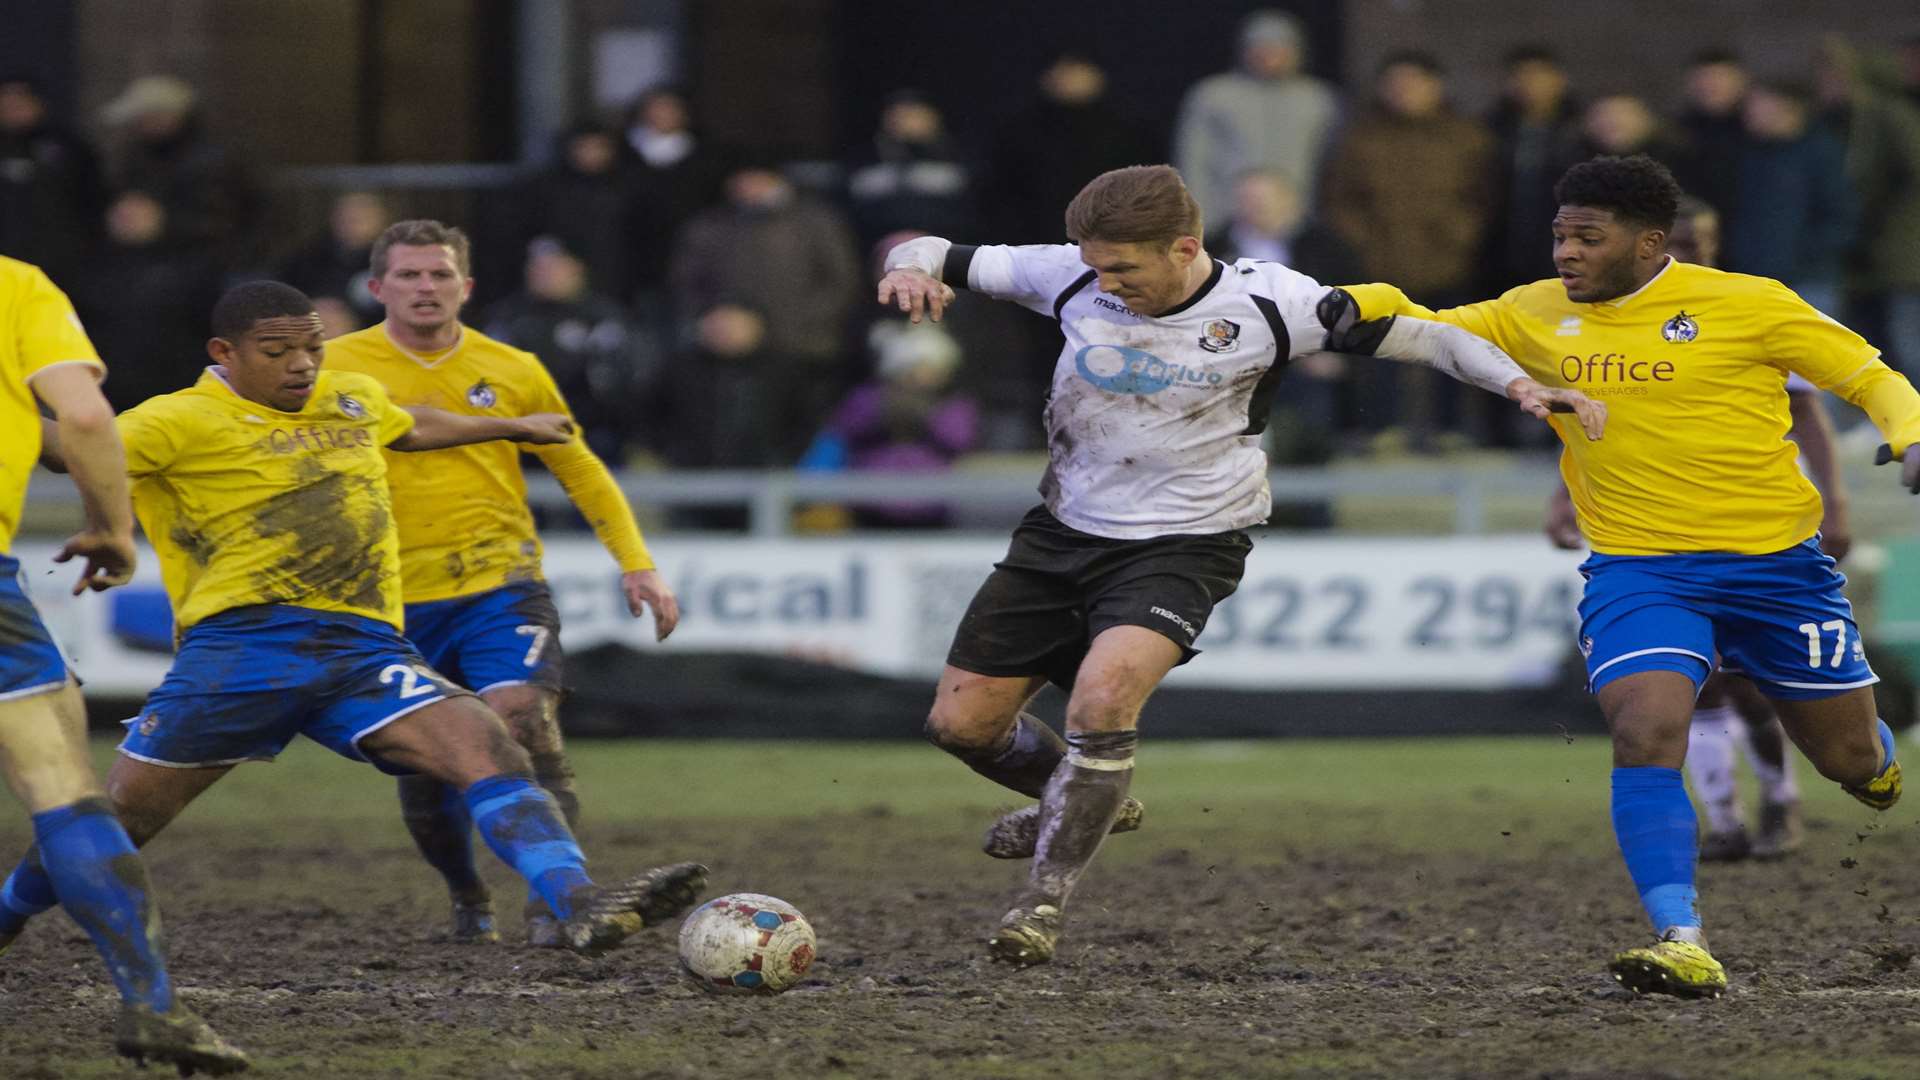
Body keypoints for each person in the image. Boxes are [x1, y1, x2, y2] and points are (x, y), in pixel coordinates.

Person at [877, 164, 1605, 966]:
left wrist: (1519, 385)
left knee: (1103, 697)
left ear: (1185, 246)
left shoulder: (1275, 302)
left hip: (1186, 543)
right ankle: (1084, 799)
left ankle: (1040, 906)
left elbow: (1425, 333)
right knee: (961, 725)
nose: (1106, 285)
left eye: (1124, 269)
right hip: (1061, 533)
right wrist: (911, 269)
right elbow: (931, 246)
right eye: (1095, 267)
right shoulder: (1071, 273)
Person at [1342, 155, 1920, 998]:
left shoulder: (1750, 305)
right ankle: (1681, 936)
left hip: (1779, 572)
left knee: (1848, 761)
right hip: (1642, 570)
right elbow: (1425, 325)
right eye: (1558, 234)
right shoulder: (1531, 312)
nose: (1565, 253)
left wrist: (1909, 436)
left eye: (1587, 237)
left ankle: (1870, 756)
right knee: (1645, 730)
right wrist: (1345, 303)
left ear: (1651, 243)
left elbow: (1868, 375)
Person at [0, 281, 706, 961]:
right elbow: (72, 448)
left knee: (489, 745)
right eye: (278, 352)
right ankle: (7, 914)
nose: (303, 363)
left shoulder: (349, 394)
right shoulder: (175, 420)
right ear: (225, 352)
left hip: (362, 647)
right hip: (244, 648)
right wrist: (15, 403)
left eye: (312, 346)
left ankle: (575, 902)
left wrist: (510, 425)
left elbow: (407, 424)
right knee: (118, 821)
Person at [324, 222, 680, 946]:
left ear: (467, 287)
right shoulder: (334, 369)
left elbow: (577, 465)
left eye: (440, 275)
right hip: (385, 601)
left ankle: (558, 903)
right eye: (410, 275)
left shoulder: (512, 368)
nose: (426, 288)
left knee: (520, 715)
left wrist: (636, 561)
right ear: (377, 287)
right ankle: (465, 889)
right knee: (430, 771)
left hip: (497, 582)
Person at [0, 257, 248, 1072]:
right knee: (62, 790)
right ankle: (152, 1006)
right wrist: (113, 528)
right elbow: (85, 416)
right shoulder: (15, 286)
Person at [1542, 196, 1840, 861]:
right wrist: (1564, 495)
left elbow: (1809, 419)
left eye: (1702, 242)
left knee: (1748, 683)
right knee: (1692, 685)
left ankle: (1779, 798)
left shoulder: (1748, 310)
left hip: (1747, 530)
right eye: (1681, 242)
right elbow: (1602, 425)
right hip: (1650, 530)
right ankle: (1727, 820)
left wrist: (1836, 506)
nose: (1693, 253)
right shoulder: (1612, 323)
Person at [1321, 51, 1494, 444]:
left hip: (1448, 261)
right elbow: (1338, 198)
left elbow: (1484, 198)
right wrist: (1361, 244)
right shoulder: (1360, 137)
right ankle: (1384, 431)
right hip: (1379, 262)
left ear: (1437, 86)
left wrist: (1460, 237)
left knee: (1452, 346)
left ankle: (1451, 432)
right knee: (1382, 351)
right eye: (1396, 83)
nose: (1405, 91)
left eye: (1415, 81)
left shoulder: (1466, 136)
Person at [483, 236, 656, 463]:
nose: (544, 273)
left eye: (554, 265)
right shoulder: (508, 319)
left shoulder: (604, 318)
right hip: (522, 437)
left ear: (576, 268)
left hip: (591, 436)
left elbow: (626, 385)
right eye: (537, 266)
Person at [1173, 9, 1338, 226]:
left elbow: (1332, 165)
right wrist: (1199, 217)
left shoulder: (1318, 100)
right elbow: (1194, 160)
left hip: (1298, 218)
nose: (1268, 54)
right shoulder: (1213, 95)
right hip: (1228, 218)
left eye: (1278, 46)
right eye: (1259, 46)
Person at [1724, 82, 1856, 316]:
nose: (1749, 113)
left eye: (1758, 106)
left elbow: (1841, 215)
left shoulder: (1821, 154)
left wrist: (1799, 254)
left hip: (1810, 281)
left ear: (1787, 109)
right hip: (1755, 281)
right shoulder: (1749, 155)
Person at [279, 191, 391, 329]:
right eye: (345, 216)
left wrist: (352, 318)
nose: (352, 223)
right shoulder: (306, 258)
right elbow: (279, 296)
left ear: (380, 220)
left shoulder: (395, 263)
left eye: (362, 217)